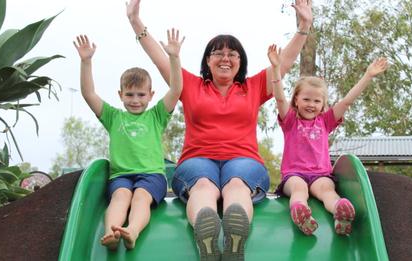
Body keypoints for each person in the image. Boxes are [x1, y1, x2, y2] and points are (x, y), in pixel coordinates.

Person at [126, 0, 312, 259]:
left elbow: (286, 60)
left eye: (232, 54)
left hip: (243, 160)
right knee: (203, 186)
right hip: (197, 160)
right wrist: (135, 20)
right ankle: (207, 230)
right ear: (208, 60)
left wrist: (304, 25)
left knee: (236, 185)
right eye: (218, 53)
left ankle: (236, 237)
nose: (225, 58)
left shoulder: (253, 86)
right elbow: (159, 58)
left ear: (240, 61)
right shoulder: (190, 85)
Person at [72, 29, 185, 250]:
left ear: (151, 95)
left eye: (141, 95)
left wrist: (173, 57)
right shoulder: (114, 117)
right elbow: (89, 94)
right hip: (121, 176)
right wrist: (86, 62)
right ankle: (111, 234)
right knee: (120, 198)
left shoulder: (156, 115)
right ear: (120, 95)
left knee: (140, 198)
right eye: (130, 95)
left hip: (152, 176)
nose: (135, 100)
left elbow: (177, 88)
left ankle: (132, 230)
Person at [267, 43, 388, 236]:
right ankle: (300, 212)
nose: (311, 104)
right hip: (294, 174)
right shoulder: (290, 121)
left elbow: (347, 101)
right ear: (296, 100)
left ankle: (340, 211)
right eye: (306, 99)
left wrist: (368, 76)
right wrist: (275, 69)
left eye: (317, 101)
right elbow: (279, 99)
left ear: (323, 104)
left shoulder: (325, 121)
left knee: (327, 192)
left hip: (321, 174)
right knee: (299, 190)